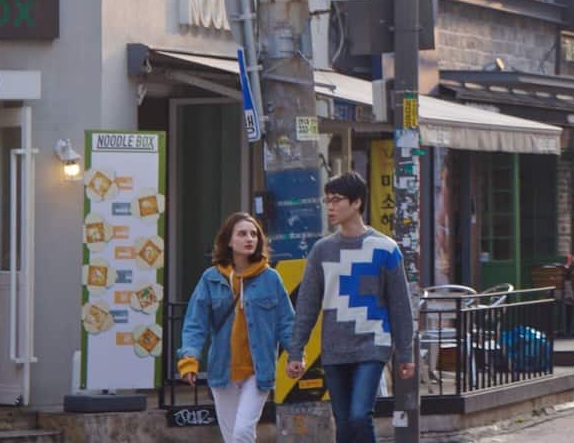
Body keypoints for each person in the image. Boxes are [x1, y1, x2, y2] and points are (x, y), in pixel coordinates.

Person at [284, 173, 417, 443]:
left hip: (373, 343)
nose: (330, 207)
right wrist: (295, 351)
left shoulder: (386, 249)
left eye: (336, 200)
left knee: (359, 414)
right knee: (343, 422)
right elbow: (307, 305)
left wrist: (405, 353)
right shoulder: (321, 251)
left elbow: (400, 305)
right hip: (334, 346)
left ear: (356, 203)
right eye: (327, 200)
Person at [177, 212, 299, 443]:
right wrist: (189, 360)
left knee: (242, 432)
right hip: (223, 372)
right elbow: (195, 323)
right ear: (229, 241)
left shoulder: (271, 278)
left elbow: (286, 321)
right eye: (242, 234)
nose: (249, 239)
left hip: (258, 370)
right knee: (233, 436)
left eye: (254, 234)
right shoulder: (211, 279)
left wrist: (295, 354)